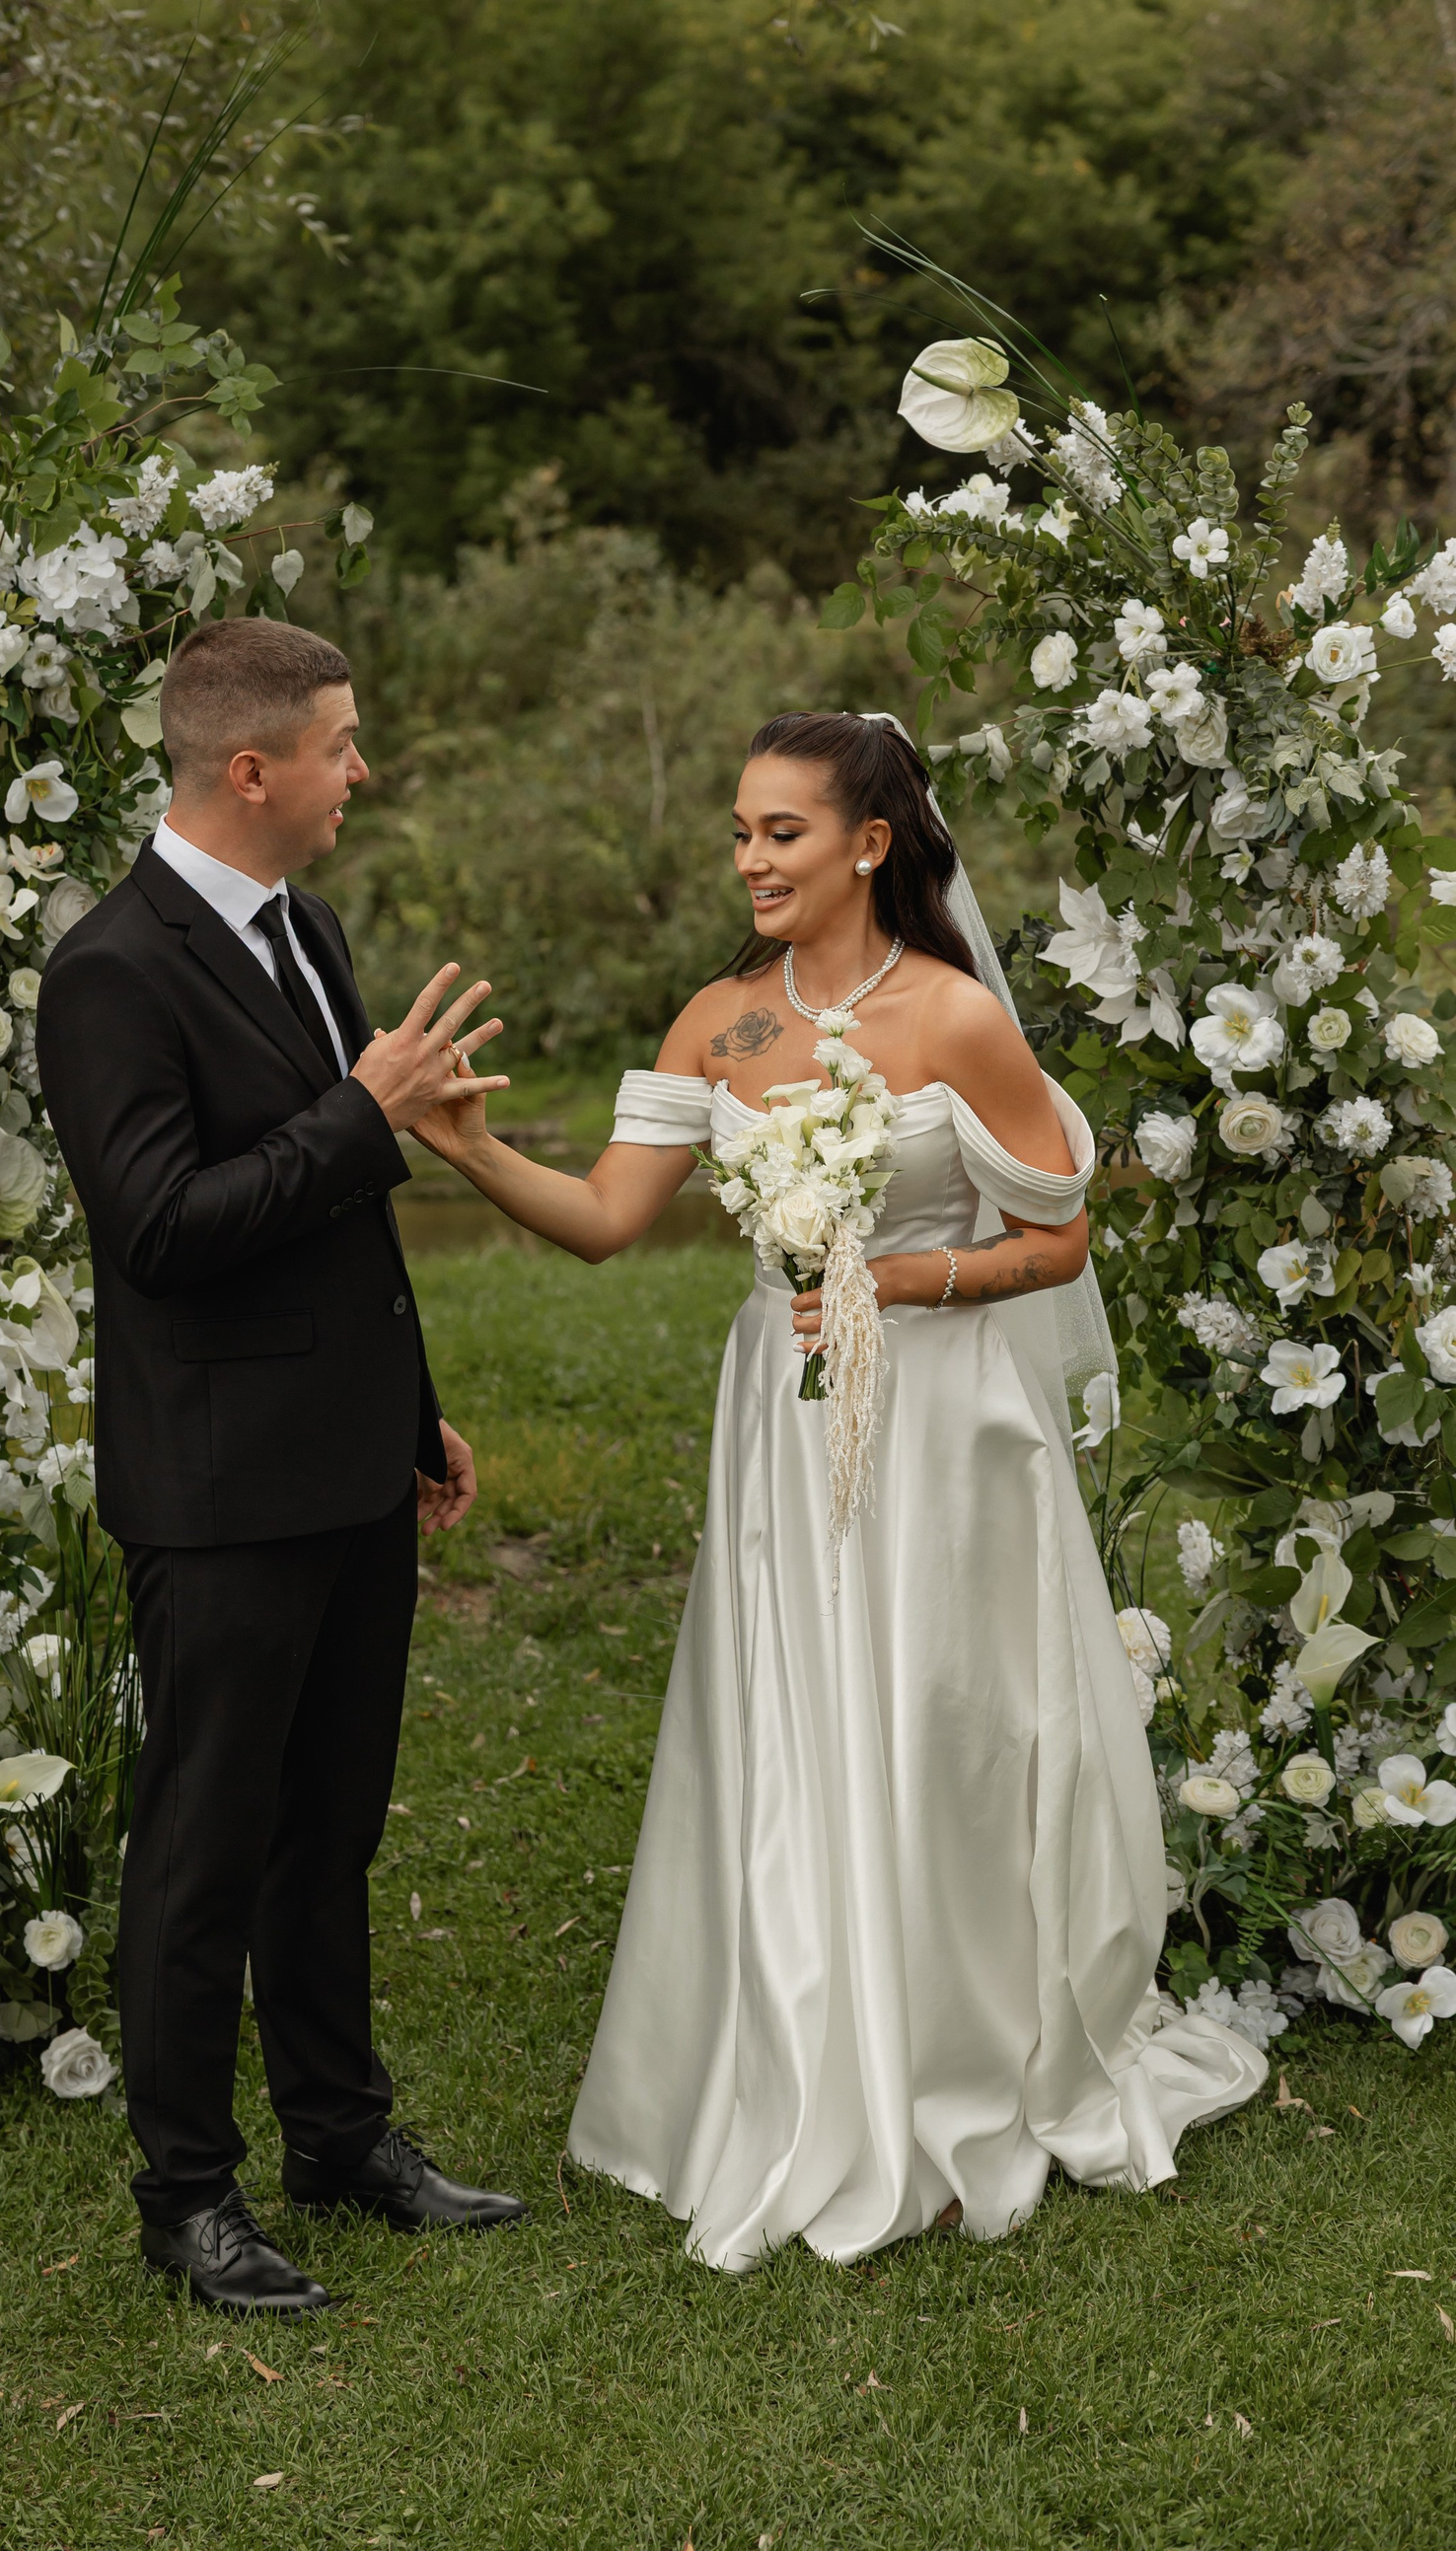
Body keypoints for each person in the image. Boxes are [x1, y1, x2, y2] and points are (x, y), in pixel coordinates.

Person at [411, 709, 1266, 2270]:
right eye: (740, 831)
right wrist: (468, 1149)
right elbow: (604, 1220)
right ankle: (810, 2049)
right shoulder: (716, 1025)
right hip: (785, 1415)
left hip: (945, 1423)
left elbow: (1060, 1240)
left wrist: (911, 1280)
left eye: (781, 832)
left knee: (944, 1721)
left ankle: (956, 2068)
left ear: (869, 844)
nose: (751, 859)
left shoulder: (956, 1019)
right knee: (800, 1715)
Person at [37, 615, 529, 2319]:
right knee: (204, 1846)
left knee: (328, 1831)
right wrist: (362, 1112)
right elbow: (162, 1232)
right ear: (250, 769)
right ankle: (187, 2197)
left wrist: (411, 1414)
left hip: (345, 1467)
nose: (360, 771)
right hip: (220, 1491)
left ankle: (340, 2134)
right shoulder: (110, 971)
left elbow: (340, 1230)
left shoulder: (305, 928)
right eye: (340, 743)